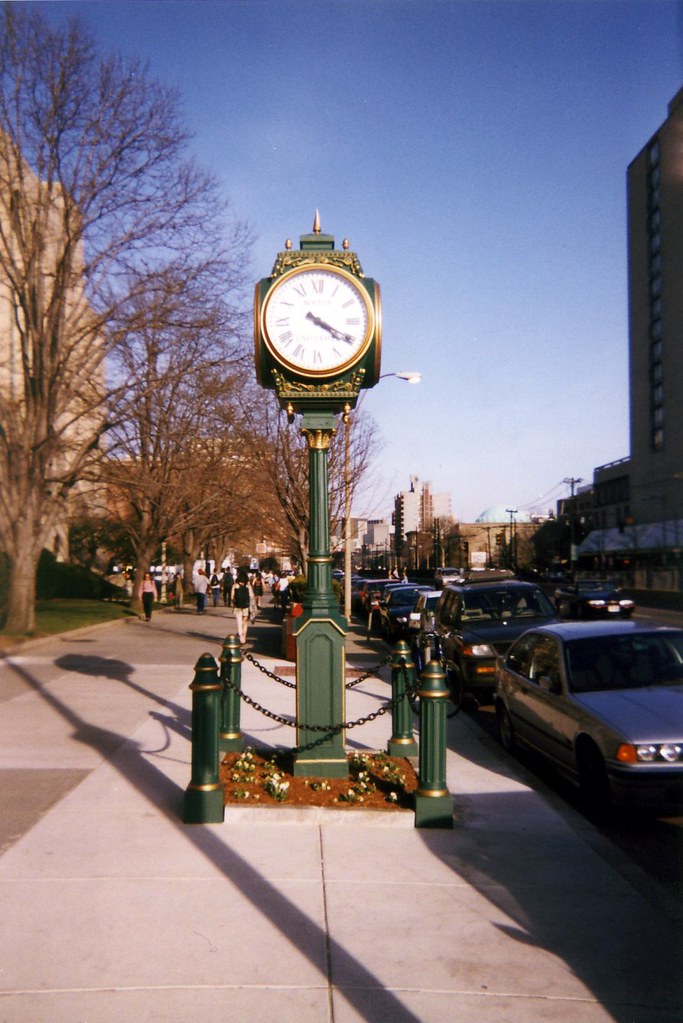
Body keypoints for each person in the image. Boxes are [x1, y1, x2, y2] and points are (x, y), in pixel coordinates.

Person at [232, 569, 254, 645]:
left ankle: (240, 636)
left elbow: (232, 597)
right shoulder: (248, 586)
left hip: (237, 606)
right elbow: (252, 596)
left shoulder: (235, 585)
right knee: (245, 622)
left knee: (239, 622)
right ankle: (243, 638)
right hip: (246, 606)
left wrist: (234, 602)